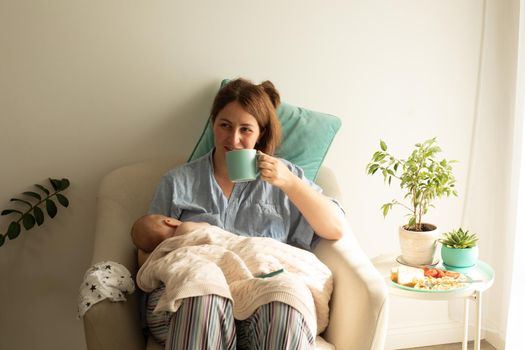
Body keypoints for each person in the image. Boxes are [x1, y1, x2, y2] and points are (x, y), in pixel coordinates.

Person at [145, 78, 346, 349]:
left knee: (283, 294)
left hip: (258, 304)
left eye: (245, 129)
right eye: (225, 125)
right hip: (185, 302)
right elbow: (148, 251)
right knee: (203, 290)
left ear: (260, 134)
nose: (234, 139)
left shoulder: (285, 177)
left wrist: (289, 183)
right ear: (213, 124)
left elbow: (335, 228)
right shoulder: (178, 181)